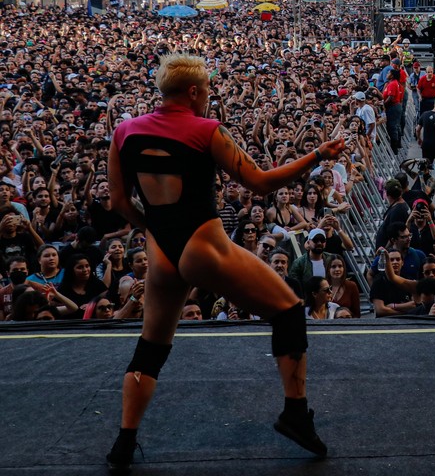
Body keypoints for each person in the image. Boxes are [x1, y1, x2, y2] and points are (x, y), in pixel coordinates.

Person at [104, 53, 347, 472]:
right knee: (288, 309)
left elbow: (120, 202)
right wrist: (318, 156)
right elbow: (260, 181)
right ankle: (294, 412)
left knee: (151, 349)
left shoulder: (124, 132)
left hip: (160, 254)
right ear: (195, 92)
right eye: (208, 91)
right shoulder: (206, 130)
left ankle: (124, 442)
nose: (210, 98)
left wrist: (155, 229)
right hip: (204, 245)